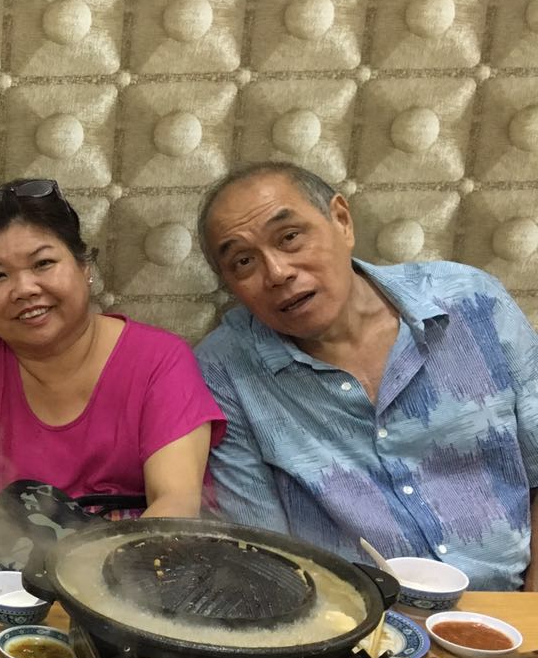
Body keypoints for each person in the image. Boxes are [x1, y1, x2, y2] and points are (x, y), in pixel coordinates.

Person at [195, 161, 538, 592]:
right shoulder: (225, 370)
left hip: (513, 605)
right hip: (355, 618)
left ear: (341, 220)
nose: (278, 273)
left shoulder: (471, 301)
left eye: (290, 237)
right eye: (244, 261)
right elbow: (263, 554)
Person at [0, 179, 223, 519]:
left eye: (43, 263)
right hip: (13, 554)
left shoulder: (158, 361)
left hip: (148, 548)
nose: (24, 289)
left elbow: (177, 505)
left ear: (85, 268)